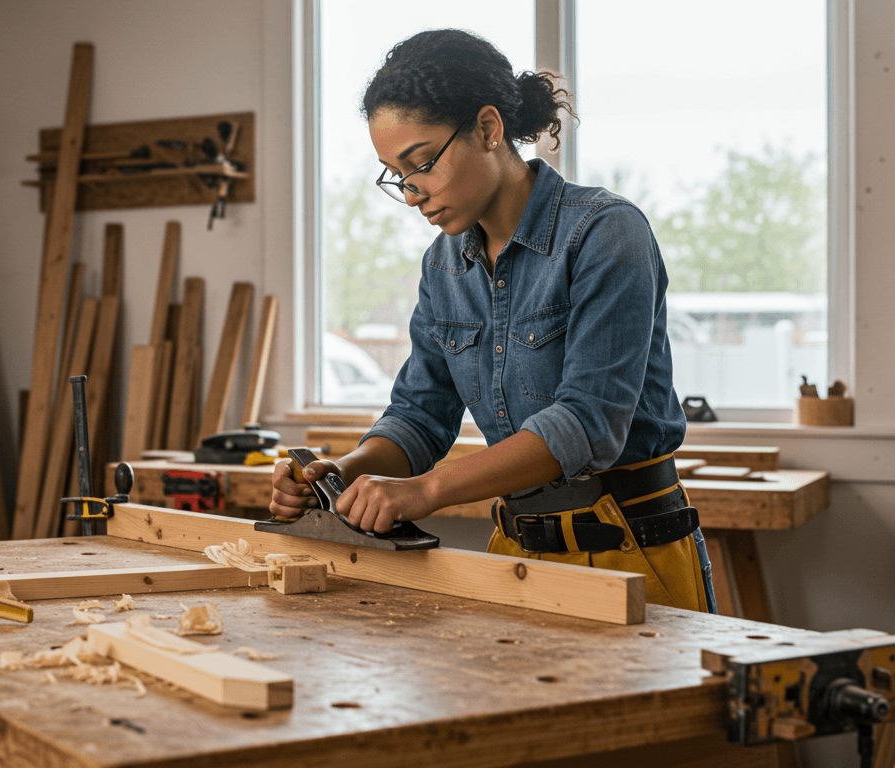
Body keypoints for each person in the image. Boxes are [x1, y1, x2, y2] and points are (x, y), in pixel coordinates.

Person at [271, 29, 715, 613]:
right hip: (516, 556)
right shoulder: (444, 264)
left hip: (632, 551)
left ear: (488, 128)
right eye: (395, 176)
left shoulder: (605, 233)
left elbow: (587, 423)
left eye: (422, 163)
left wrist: (424, 492)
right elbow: (418, 416)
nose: (411, 195)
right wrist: (346, 474)